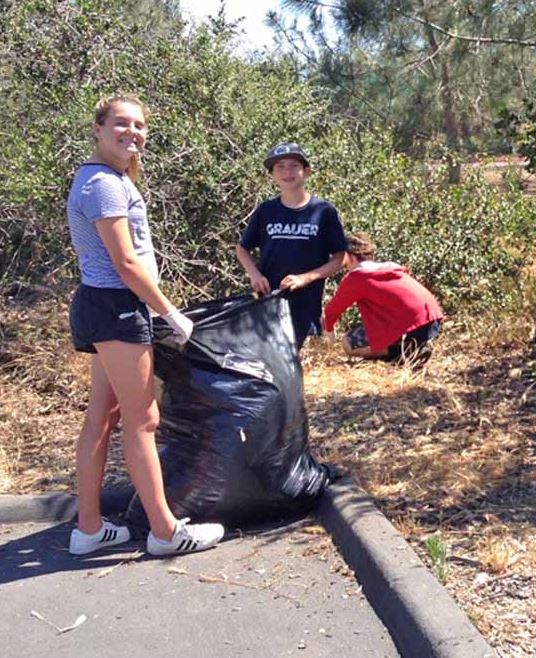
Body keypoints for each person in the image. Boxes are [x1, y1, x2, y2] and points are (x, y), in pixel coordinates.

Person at [67, 96, 224, 556]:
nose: (131, 132)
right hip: (117, 306)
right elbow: (126, 262)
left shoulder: (105, 179)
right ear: (98, 128)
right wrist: (171, 313)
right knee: (143, 421)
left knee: (104, 417)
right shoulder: (103, 184)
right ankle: (165, 532)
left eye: (138, 126)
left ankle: (89, 530)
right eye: (120, 123)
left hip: (106, 306)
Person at [236, 142, 347, 351]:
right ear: (272, 175)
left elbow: (340, 258)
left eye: (293, 165)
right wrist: (255, 275)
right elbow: (242, 249)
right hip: (269, 299)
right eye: (280, 167)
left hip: (304, 302)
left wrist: (306, 278)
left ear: (306, 172)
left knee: (289, 355)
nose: (287, 172)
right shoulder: (266, 210)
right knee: (267, 353)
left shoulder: (324, 211)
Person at [321, 233, 443, 364]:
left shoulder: (357, 278)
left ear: (347, 256)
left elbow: (331, 312)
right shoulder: (388, 268)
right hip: (432, 319)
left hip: (411, 325)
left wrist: (328, 334)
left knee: (349, 342)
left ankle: (405, 352)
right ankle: (414, 347)